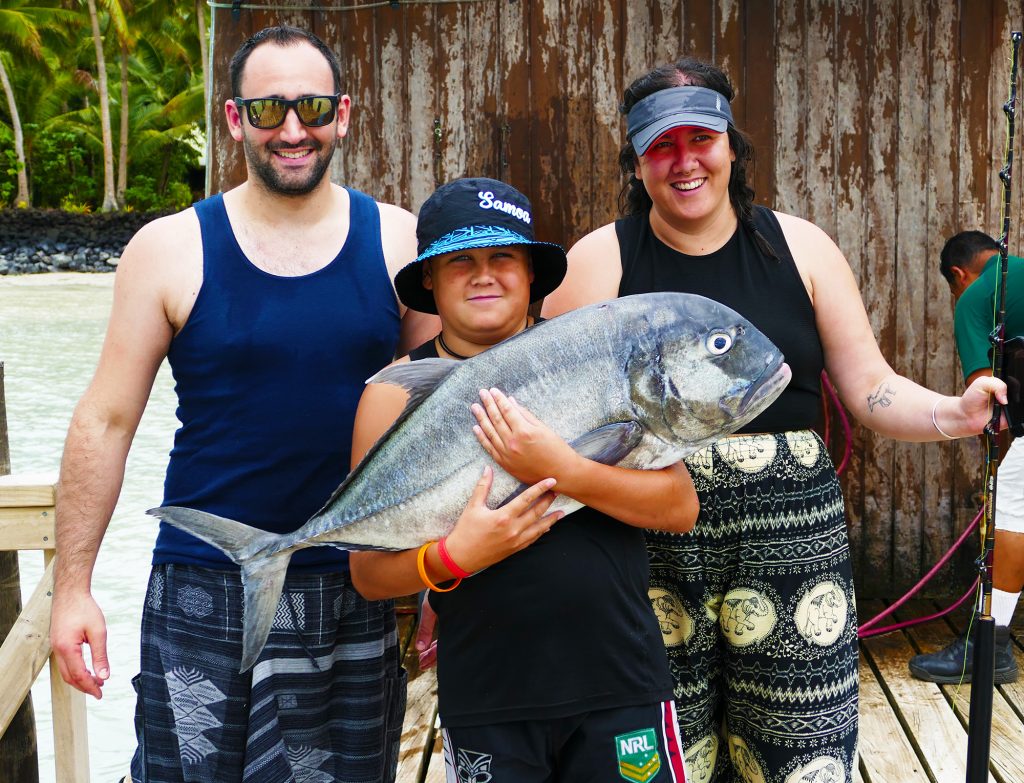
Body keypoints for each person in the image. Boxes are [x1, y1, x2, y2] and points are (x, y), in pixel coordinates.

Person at [542, 58, 1008, 783]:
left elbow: (872, 388)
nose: (685, 161)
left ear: (732, 143)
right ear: (637, 161)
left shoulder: (803, 247)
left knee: (802, 752)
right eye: (662, 146)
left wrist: (956, 411)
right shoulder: (597, 261)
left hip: (796, 546)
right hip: (648, 543)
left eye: (701, 138)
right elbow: (550, 422)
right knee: (659, 755)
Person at [49, 25, 437, 783]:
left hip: (355, 585)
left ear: (344, 114)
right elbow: (105, 421)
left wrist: (434, 582)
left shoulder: (400, 242)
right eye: (268, 110)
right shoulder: (167, 249)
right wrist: (72, 591)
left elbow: (434, 426)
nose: (292, 129)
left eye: (313, 106)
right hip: (203, 582)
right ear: (234, 120)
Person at [349, 177, 698, 782]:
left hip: (620, 680)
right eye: (461, 260)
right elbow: (369, 575)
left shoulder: (594, 357)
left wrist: (563, 468)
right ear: (429, 280)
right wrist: (453, 558)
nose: (484, 274)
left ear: (532, 272)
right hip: (488, 695)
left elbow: (678, 506)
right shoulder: (390, 393)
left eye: (502, 257)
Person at [908, 230, 1022, 684]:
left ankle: (988, 648)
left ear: (958, 274)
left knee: (1011, 505)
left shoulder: (975, 296)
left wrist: (994, 470)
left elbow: (987, 405)